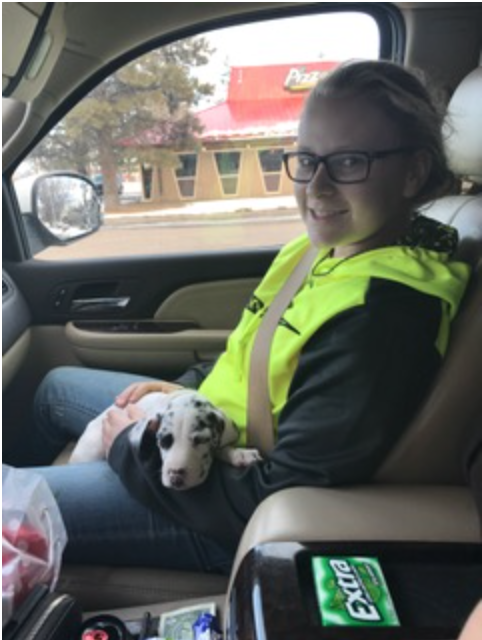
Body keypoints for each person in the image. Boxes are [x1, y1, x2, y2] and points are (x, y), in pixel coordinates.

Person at [28, 60, 471, 574]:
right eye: (307, 159)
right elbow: (252, 353)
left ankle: (39, 527)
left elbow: (281, 490)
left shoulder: (381, 315)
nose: (317, 185)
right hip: (213, 430)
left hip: (219, 504)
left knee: (8, 505)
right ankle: (46, 529)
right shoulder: (322, 249)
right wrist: (182, 390)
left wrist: (129, 450)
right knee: (56, 388)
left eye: (350, 162)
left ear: (413, 172)